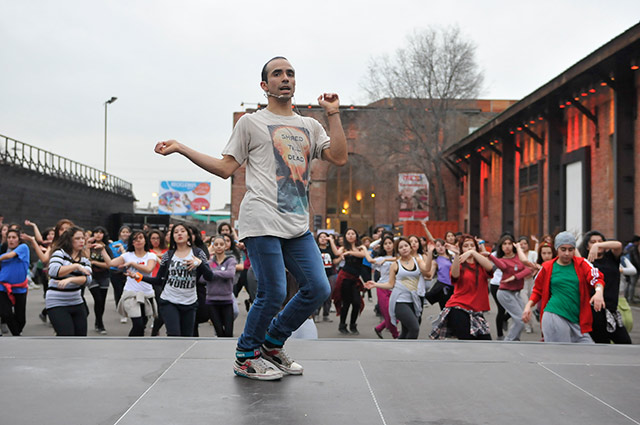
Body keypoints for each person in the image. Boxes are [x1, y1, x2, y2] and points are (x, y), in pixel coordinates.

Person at [154, 56, 347, 380]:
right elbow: (226, 168)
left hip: (297, 224)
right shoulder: (250, 123)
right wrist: (182, 148)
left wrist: (333, 114)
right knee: (273, 291)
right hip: (261, 219)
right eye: (277, 74)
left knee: (318, 288)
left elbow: (339, 157)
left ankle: (272, 345)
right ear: (264, 85)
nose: (285, 78)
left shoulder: (310, 127)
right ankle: (246, 355)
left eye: (290, 73)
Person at [522, 231, 605, 343]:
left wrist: (598, 292)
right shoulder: (547, 267)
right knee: (561, 354)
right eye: (563, 249)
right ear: (557, 249)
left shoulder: (582, 263)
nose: (567, 253)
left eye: (571, 249)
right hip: (554, 314)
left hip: (577, 320)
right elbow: (537, 290)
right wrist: (528, 306)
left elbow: (596, 277)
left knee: (588, 350)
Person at [139, 224, 213, 337]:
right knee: (174, 335)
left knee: (187, 336)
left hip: (190, 302)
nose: (179, 233)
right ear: (172, 237)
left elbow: (210, 277)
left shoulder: (198, 253)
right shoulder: (168, 255)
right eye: (176, 232)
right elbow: (159, 280)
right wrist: (140, 277)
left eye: (182, 231)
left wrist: (200, 264)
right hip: (169, 300)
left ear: (188, 236)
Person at [430, 235, 494, 340]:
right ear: (461, 248)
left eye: (472, 245)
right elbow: (454, 275)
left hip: (476, 311)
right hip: (459, 307)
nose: (469, 248)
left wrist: (473, 252)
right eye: (465, 246)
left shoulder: (481, 264)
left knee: (486, 342)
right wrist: (456, 254)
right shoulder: (459, 263)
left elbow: (490, 267)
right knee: (467, 342)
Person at [366, 237, 428, 338]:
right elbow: (390, 284)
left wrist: (429, 255)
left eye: (406, 246)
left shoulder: (418, 260)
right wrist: (375, 284)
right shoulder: (395, 264)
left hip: (414, 299)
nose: (404, 248)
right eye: (400, 247)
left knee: (405, 331)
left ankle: (398, 349)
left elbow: (428, 271)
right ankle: (408, 352)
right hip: (399, 300)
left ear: (410, 247)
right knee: (414, 328)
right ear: (397, 250)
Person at [101, 230, 157, 336]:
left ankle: (136, 346)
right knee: (138, 324)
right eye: (135, 239)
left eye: (141, 238)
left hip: (146, 294)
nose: (138, 241)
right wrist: (103, 250)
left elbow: (148, 269)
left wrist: (132, 264)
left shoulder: (151, 256)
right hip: (131, 294)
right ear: (132, 242)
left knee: (142, 325)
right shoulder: (127, 255)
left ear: (145, 240)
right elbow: (110, 263)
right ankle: (130, 344)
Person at [579, 231, 631, 344]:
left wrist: (598, 245)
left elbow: (618, 245)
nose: (597, 244)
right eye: (592, 242)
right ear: (587, 246)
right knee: (602, 346)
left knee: (625, 343)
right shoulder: (585, 262)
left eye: (600, 241)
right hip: (594, 311)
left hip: (612, 310)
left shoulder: (611, 258)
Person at [46, 226, 92, 336]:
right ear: (69, 240)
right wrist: (75, 266)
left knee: (81, 337)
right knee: (67, 336)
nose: (81, 241)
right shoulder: (59, 253)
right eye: (77, 238)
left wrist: (71, 279)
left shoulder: (85, 259)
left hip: (76, 301)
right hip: (56, 301)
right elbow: (54, 271)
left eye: (82, 238)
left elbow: (88, 279)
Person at [489, 234, 532, 341]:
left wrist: (515, 277)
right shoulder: (502, 260)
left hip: (516, 292)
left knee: (523, 319)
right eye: (504, 244)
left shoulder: (519, 257)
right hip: (504, 292)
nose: (507, 246)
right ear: (501, 247)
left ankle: (515, 339)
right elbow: (503, 266)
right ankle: (508, 340)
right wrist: (489, 256)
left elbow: (529, 269)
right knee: (519, 319)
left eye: (509, 244)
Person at [331, 228, 366, 335]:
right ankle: (342, 325)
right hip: (345, 277)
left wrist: (350, 252)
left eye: (353, 234)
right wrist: (332, 241)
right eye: (348, 234)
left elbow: (363, 255)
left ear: (356, 236)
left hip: (355, 279)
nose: (350, 235)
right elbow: (336, 252)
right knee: (346, 303)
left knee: (356, 303)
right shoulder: (343, 248)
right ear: (345, 236)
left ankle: (353, 325)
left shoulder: (361, 247)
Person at [203, 235, 237, 337]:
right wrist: (216, 273)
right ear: (212, 246)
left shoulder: (231, 260)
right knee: (219, 332)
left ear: (225, 246)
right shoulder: (208, 263)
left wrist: (212, 274)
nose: (219, 246)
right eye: (216, 244)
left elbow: (230, 274)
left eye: (221, 244)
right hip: (212, 300)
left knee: (228, 332)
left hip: (226, 300)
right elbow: (203, 278)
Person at [365, 235, 398, 339]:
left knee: (398, 315)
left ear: (394, 244)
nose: (388, 246)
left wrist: (387, 260)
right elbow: (370, 260)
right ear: (382, 246)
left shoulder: (399, 257)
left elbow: (400, 257)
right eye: (385, 244)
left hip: (396, 288)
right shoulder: (380, 258)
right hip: (382, 287)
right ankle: (396, 336)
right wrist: (364, 249)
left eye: (390, 243)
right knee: (388, 315)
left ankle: (379, 328)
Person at [0, 229, 30, 335]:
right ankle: (17, 335)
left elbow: (10, 256)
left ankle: (17, 332)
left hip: (19, 289)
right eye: (9, 237)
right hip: (3, 288)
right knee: (6, 313)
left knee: (21, 319)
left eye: (14, 237)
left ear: (19, 239)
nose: (11, 240)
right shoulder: (3, 252)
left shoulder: (23, 248)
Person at [88, 226, 111, 334]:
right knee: (98, 299)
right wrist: (87, 245)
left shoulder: (106, 248)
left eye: (101, 233)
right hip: (92, 277)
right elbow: (86, 260)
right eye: (96, 232)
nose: (98, 234)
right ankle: (100, 324)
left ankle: (98, 321)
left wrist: (95, 262)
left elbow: (109, 264)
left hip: (104, 277)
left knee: (102, 302)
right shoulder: (89, 247)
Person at [109, 226, 132, 323]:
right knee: (118, 292)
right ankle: (122, 313)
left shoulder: (132, 245)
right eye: (123, 232)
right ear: (120, 233)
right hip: (115, 271)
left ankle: (127, 310)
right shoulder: (114, 244)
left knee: (127, 292)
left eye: (127, 232)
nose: (125, 234)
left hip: (128, 272)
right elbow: (114, 257)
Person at [149, 229, 168, 336]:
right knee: (158, 307)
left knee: (163, 308)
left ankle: (155, 329)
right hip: (152, 281)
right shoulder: (148, 252)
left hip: (165, 281)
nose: (156, 241)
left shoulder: (167, 251)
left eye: (157, 238)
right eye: (153, 238)